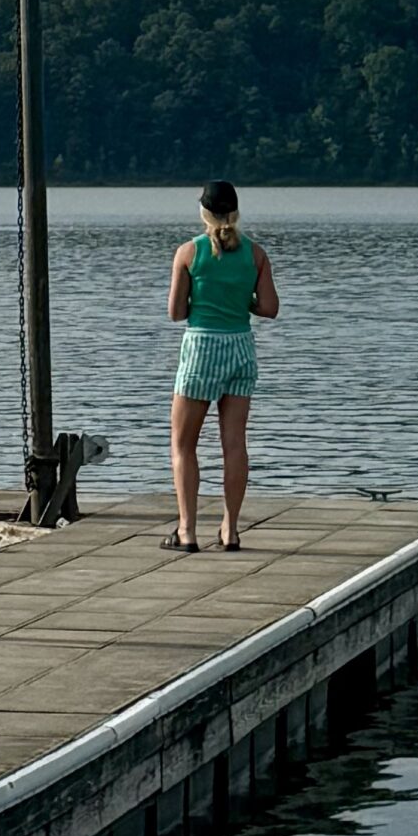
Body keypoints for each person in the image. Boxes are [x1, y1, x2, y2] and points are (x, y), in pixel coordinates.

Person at [164, 179, 279, 554]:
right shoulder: (256, 254)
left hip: (202, 349)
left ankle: (187, 531)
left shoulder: (188, 253)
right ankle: (230, 530)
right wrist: (240, 300)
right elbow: (269, 308)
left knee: (183, 445)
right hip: (241, 349)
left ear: (204, 213)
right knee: (234, 444)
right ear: (235, 212)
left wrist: (204, 297)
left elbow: (176, 313)